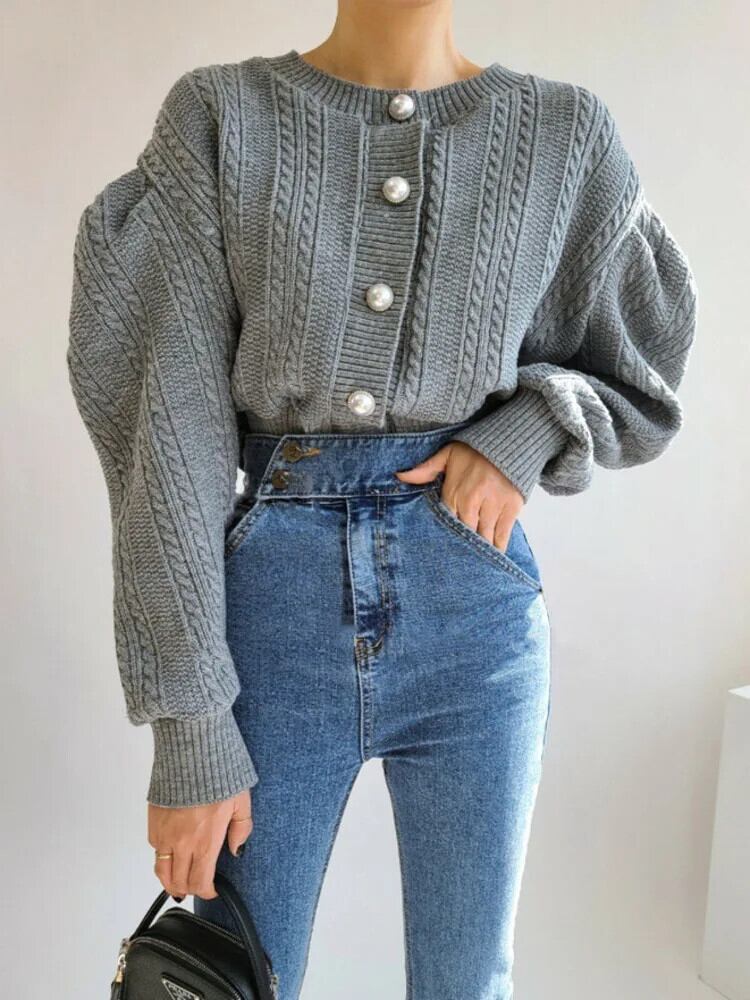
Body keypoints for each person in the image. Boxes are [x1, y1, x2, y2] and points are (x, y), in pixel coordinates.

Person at [66, 2, 698, 997]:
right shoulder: (222, 117)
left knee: (466, 983)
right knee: (231, 978)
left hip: (475, 620)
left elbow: (643, 368)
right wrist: (189, 723)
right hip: (268, 620)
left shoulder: (565, 133)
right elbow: (166, 430)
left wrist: (525, 431)